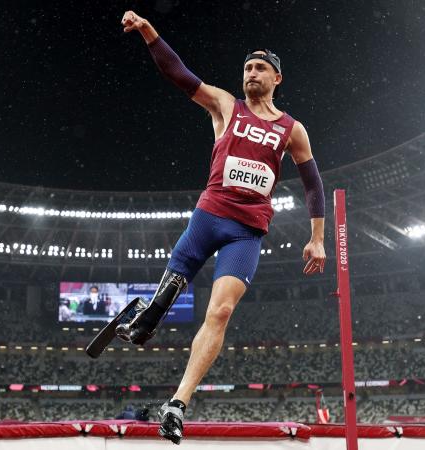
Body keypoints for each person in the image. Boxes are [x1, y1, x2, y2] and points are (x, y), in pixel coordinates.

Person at [116, 11, 327, 444]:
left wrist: (318, 239)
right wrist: (148, 32)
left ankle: (176, 404)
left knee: (222, 311)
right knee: (173, 287)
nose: (251, 73)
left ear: (277, 78)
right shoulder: (226, 106)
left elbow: (313, 184)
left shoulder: (292, 129)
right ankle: (150, 315)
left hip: (246, 232)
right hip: (209, 216)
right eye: (247, 68)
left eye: (260, 68)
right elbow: (178, 73)